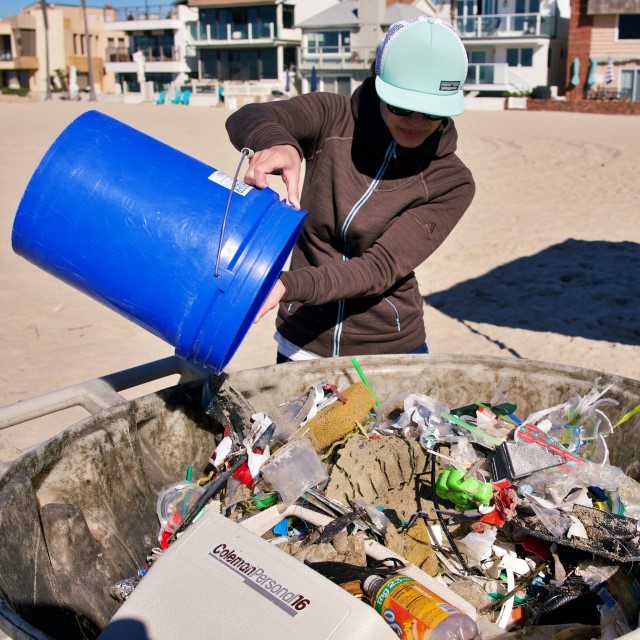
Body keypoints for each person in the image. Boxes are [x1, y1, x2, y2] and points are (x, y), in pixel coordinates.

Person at [226, 16, 475, 363]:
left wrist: (287, 285)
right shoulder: (332, 117)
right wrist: (279, 144)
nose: (416, 122)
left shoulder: (451, 180)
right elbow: (248, 116)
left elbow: (378, 268)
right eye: (401, 105)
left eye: (431, 112)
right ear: (378, 84)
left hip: (390, 349)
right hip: (302, 341)